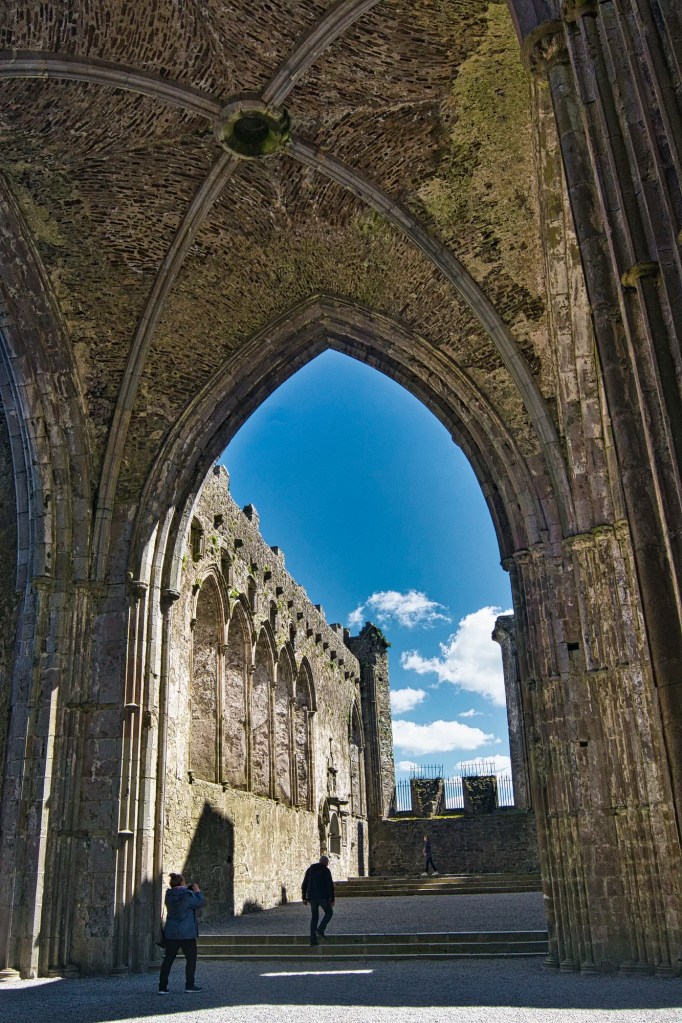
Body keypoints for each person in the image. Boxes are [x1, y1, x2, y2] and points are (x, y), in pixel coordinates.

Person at [158, 872, 205, 994]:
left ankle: (162, 987)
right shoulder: (187, 895)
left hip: (171, 932)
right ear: (182, 882)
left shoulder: (168, 895)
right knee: (191, 959)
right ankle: (189, 985)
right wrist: (197, 891)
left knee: (168, 959)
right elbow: (200, 903)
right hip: (186, 933)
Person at [301, 854, 335, 946]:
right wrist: (332, 898)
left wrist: (304, 897)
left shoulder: (310, 869)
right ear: (326, 863)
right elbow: (330, 885)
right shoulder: (325, 870)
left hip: (312, 897)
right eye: (327, 863)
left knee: (314, 917)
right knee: (329, 913)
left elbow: (304, 884)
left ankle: (313, 940)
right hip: (323, 896)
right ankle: (320, 929)